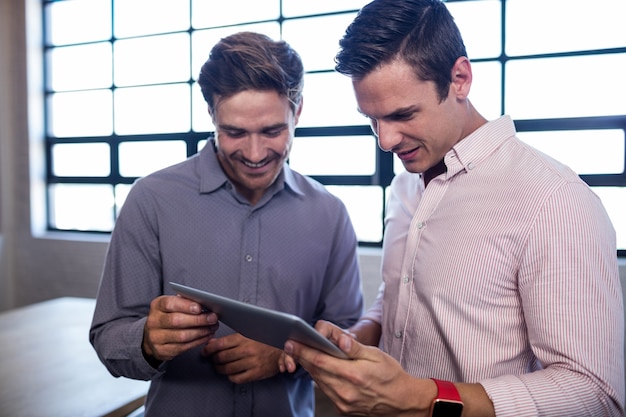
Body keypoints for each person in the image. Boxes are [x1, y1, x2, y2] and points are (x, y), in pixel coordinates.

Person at [282, 1, 625, 416]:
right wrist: (356, 336)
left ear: (459, 79)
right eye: (371, 120)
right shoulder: (407, 183)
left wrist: (423, 399)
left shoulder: (554, 201)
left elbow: (593, 394)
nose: (385, 141)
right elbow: (402, 291)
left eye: (402, 114)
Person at [90, 31, 364, 417]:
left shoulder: (330, 213)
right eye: (235, 132)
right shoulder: (151, 200)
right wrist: (148, 342)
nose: (254, 153)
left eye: (272, 131)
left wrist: (289, 352)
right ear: (211, 113)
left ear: (297, 111)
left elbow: (350, 337)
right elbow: (108, 339)